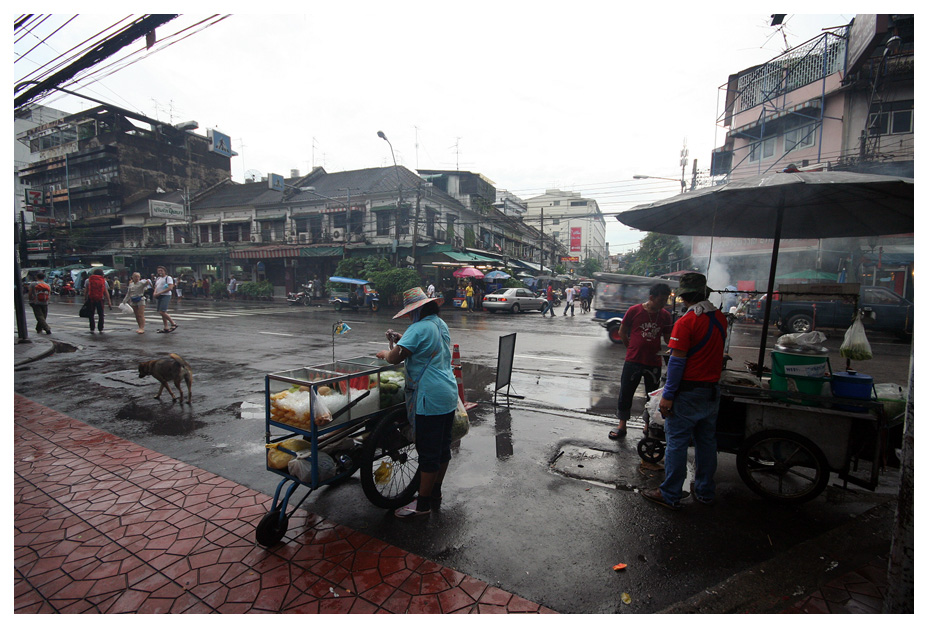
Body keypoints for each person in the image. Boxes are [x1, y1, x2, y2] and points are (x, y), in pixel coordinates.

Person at [642, 273, 727, 510]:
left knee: (677, 443)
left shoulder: (686, 322)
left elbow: (677, 363)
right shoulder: (720, 318)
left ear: (683, 296)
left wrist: (667, 395)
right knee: (707, 443)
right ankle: (705, 491)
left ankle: (669, 493)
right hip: (711, 392)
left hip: (687, 394)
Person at [376, 287, 460, 518]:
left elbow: (394, 358)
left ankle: (421, 505)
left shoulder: (418, 327)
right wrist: (402, 340)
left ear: (416, 310)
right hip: (447, 393)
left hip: (429, 396)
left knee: (428, 453)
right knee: (442, 449)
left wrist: (385, 352)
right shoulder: (439, 324)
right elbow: (423, 346)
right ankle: (435, 493)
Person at [608, 283, 673, 440]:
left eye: (666, 300)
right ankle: (622, 425)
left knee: (652, 397)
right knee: (626, 392)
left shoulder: (665, 315)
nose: (663, 304)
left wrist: (674, 349)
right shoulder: (634, 311)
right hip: (633, 360)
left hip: (654, 362)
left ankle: (648, 425)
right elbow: (622, 331)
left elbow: (667, 337)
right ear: (651, 298)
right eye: (661, 300)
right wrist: (630, 347)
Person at [84, 268, 112, 334]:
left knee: (91, 314)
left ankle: (92, 328)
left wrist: (85, 298)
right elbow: (106, 292)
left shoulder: (88, 280)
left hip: (91, 299)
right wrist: (109, 301)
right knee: (101, 314)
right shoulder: (103, 281)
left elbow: (86, 291)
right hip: (100, 299)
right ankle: (100, 328)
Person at [153, 266, 178, 333]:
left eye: (161, 270)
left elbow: (170, 288)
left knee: (162, 311)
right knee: (161, 312)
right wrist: (155, 293)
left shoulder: (168, 278)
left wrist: (160, 293)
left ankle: (173, 323)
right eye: (159, 271)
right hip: (159, 296)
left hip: (166, 295)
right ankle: (165, 327)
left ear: (164, 271)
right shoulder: (158, 278)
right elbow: (156, 286)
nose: (160, 272)